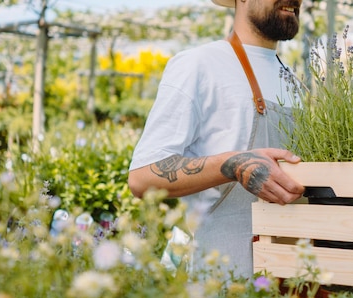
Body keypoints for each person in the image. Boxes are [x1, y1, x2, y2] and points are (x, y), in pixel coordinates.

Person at [128, 0, 305, 278]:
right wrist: (234, 164)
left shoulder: (293, 80)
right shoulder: (199, 65)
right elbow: (141, 177)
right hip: (217, 281)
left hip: (287, 284)